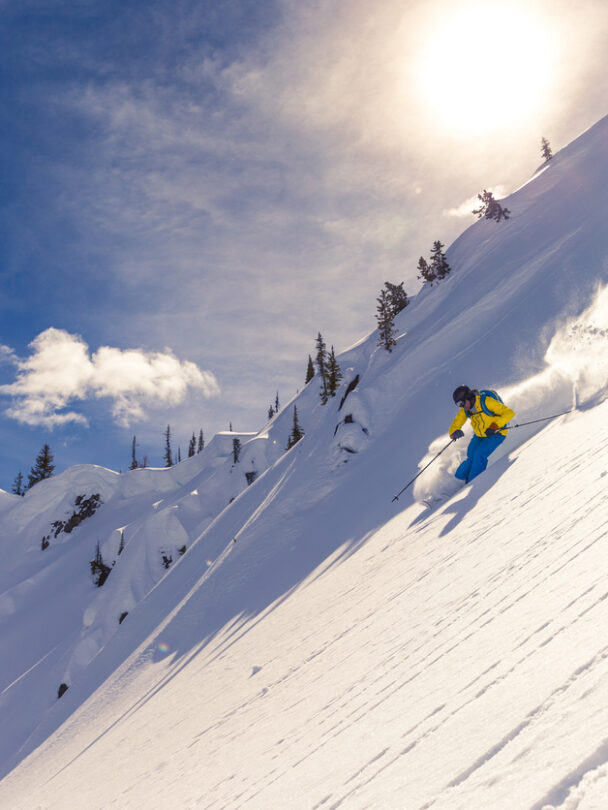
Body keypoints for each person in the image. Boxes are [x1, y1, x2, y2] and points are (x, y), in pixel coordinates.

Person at [449, 385, 515, 483]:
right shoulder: (466, 410)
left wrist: (495, 426)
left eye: (462, 403)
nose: (462, 406)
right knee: (471, 455)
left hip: (496, 433)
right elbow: (457, 422)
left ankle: (473, 482)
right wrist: (454, 432)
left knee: (479, 454)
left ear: (468, 397)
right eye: (459, 404)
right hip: (480, 435)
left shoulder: (486, 402)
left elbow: (509, 413)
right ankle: (458, 480)